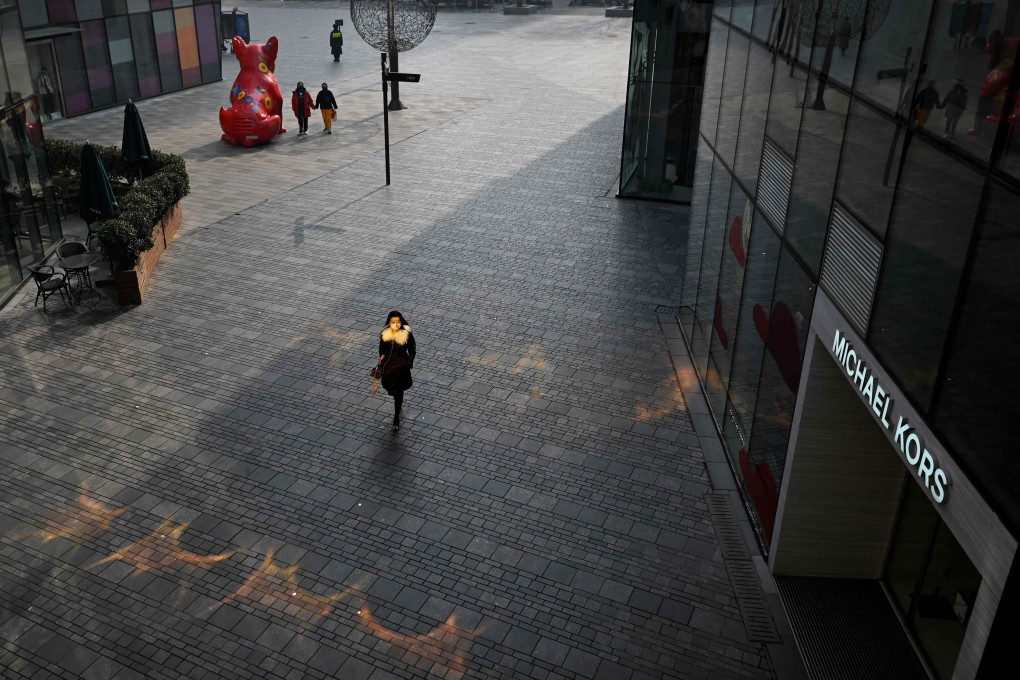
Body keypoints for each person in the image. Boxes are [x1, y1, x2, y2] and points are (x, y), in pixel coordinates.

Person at [377, 311, 415, 430]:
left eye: (398, 321)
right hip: (388, 367)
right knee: (389, 386)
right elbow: (381, 349)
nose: (396, 324)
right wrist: (382, 358)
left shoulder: (406, 333)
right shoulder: (385, 334)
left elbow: (412, 350)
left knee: (399, 392)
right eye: (393, 322)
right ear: (389, 322)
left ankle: (396, 416)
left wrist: (408, 363)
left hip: (401, 368)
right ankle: (394, 394)